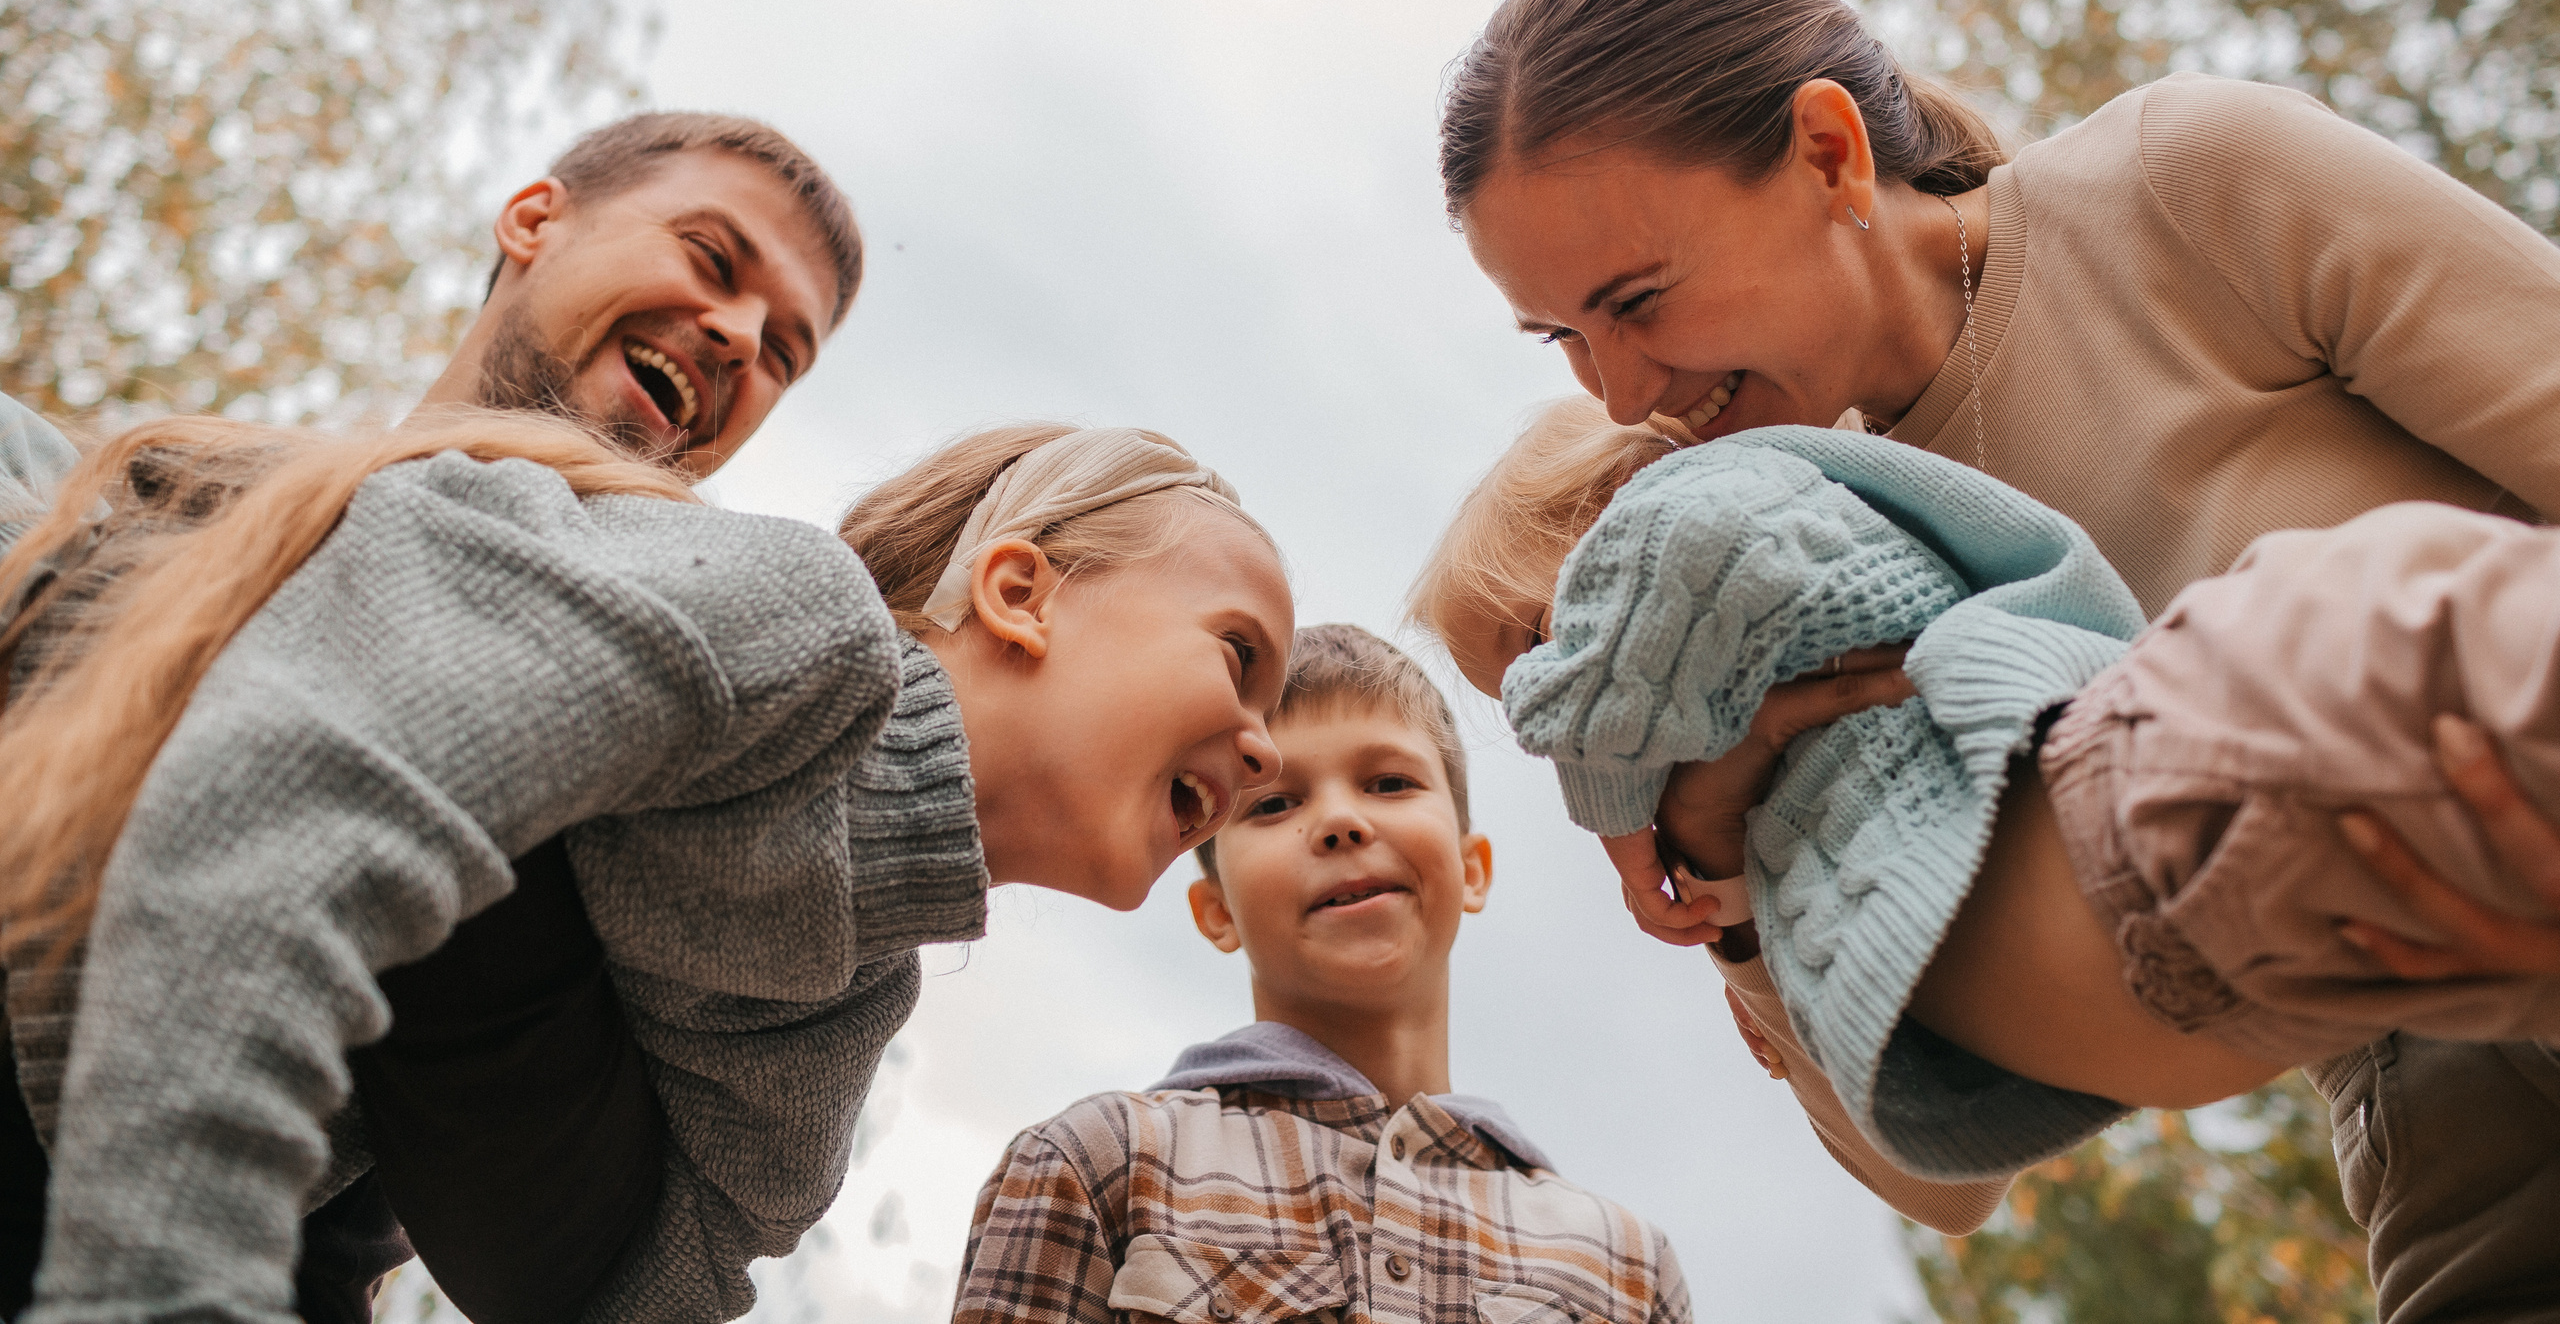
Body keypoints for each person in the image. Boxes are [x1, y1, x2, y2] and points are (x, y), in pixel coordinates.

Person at [1439, 0, 2560, 1317]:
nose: (1614, 389)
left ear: (1831, 153)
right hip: (2462, 1140)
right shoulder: (1811, 563)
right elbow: (1949, 1185)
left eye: (1638, 299)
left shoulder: (2181, 189)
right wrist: (1726, 875)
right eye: (1564, 336)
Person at [1, 405, 1291, 1324]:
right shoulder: (801, 630)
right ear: (1021, 591)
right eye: (1239, 656)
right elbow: (292, 809)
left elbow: (654, 1288)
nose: (1265, 750)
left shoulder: (848, 998)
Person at [0, 109, 863, 1324]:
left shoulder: (652, 727)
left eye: (785, 352)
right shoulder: (149, 492)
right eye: (712, 260)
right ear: (532, 219)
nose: (739, 336)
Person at [1414, 397, 2560, 1198]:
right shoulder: (1771, 837)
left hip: (2138, 802)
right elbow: (1931, 1185)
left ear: (1614, 502)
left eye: (1533, 643)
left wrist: (1623, 834)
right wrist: (1722, 883)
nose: (1538, 706)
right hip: (2184, 935)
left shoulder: (1700, 510)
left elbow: (1620, 665)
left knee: (2485, 687)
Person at [953, 624, 1691, 1324]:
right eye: (1274, 802)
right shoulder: (1098, 1161)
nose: (1341, 820)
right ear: (1216, 911)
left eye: (1391, 782)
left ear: (1472, 870)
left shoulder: (1624, 1266)